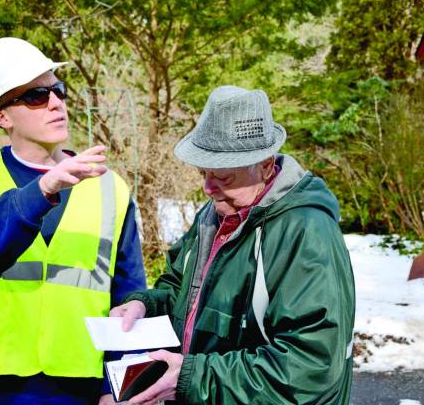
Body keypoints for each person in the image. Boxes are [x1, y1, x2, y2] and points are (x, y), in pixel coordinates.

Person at [0, 37, 147, 405]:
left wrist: (118, 387)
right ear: (1, 116)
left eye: (58, 91)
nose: (56, 104)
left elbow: (128, 295)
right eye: (35, 96)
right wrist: (44, 188)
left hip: (77, 387)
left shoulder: (112, 188)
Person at [110, 85, 355, 404]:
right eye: (203, 173)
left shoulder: (306, 231)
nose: (208, 188)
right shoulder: (213, 216)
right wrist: (147, 305)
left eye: (224, 177)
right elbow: (181, 288)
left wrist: (190, 377)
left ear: (266, 165)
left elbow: (311, 367)